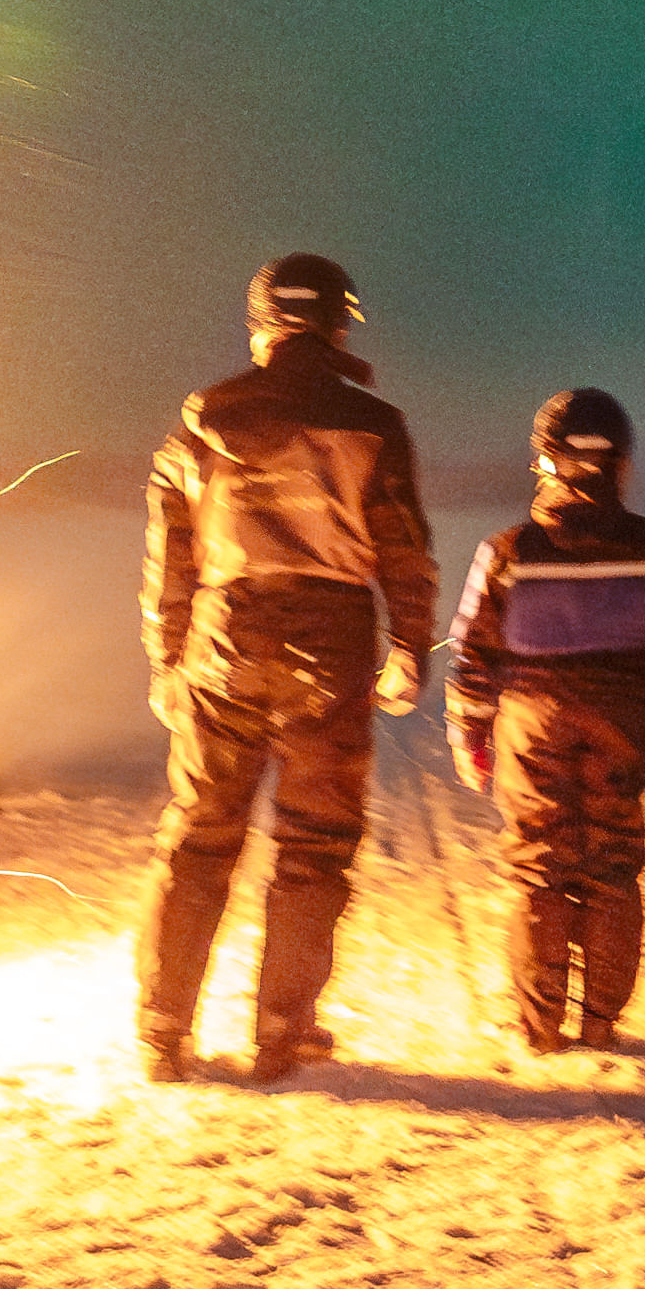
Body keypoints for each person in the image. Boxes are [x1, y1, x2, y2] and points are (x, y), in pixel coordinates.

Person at [138, 255, 435, 1084]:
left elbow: (174, 552)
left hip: (223, 637)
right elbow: (403, 548)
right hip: (328, 645)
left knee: (198, 838)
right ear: (339, 325)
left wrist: (168, 656)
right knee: (314, 844)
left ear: (260, 324)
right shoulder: (372, 423)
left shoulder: (202, 420)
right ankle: (281, 1029)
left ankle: (162, 1030)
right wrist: (408, 645)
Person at [446, 390, 645, 1052]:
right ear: (619, 462)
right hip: (621, 717)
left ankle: (540, 1027)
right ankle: (600, 1022)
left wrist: (471, 734)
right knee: (612, 865)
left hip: (531, 721)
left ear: (544, 460)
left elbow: (472, 654)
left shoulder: (508, 548)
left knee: (540, 867)